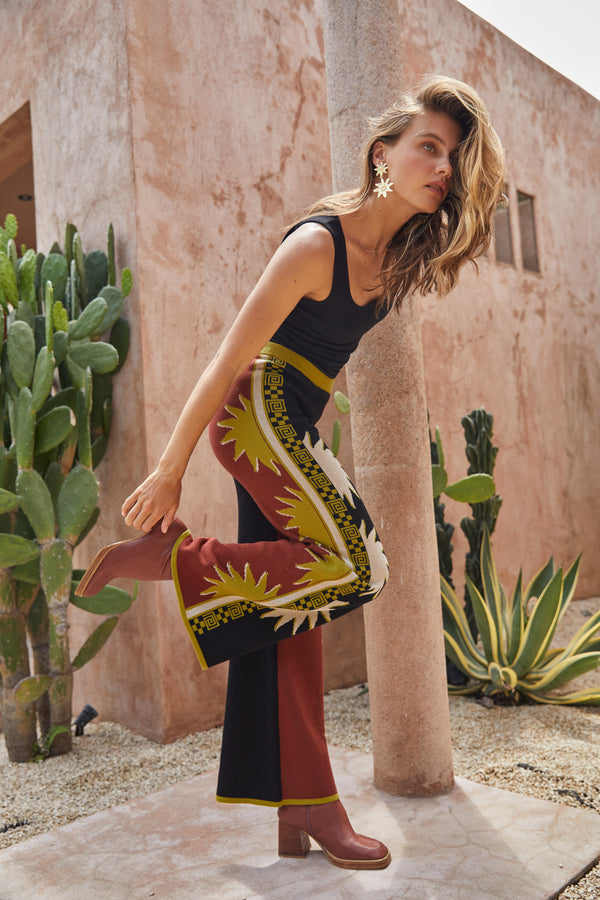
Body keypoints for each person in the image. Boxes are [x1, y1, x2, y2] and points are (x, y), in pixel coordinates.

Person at [77, 75, 505, 870]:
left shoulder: (396, 256)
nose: (443, 166)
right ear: (382, 156)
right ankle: (177, 559)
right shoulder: (319, 243)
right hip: (258, 416)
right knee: (360, 564)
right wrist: (169, 471)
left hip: (292, 422)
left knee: (298, 611)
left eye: (452, 156)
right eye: (428, 147)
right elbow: (229, 358)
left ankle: (301, 805)